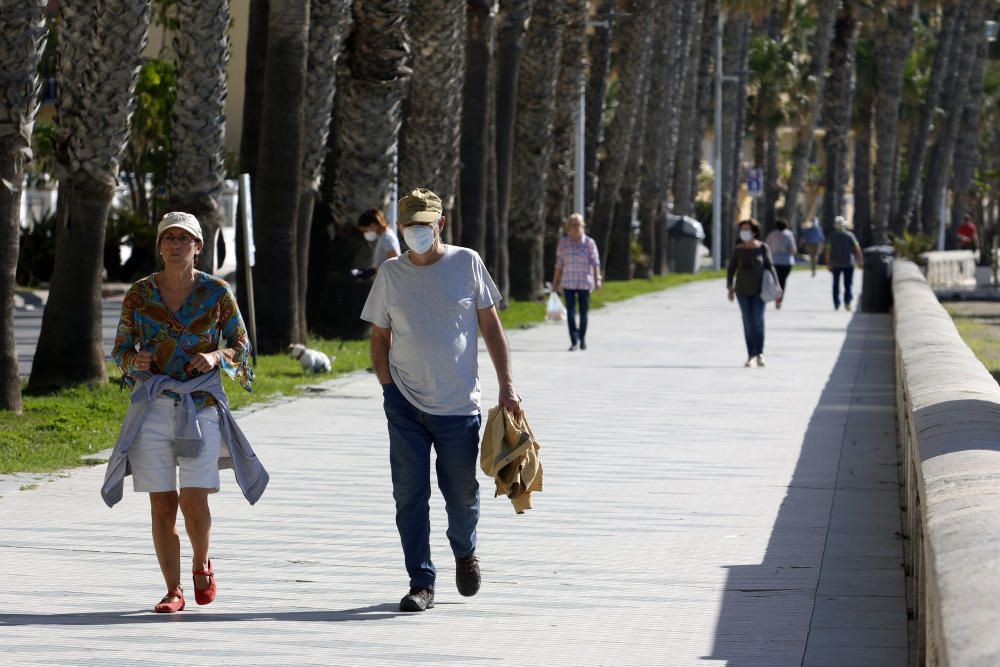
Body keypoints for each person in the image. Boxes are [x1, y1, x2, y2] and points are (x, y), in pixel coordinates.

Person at [360, 188, 521, 613]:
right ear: (400, 227)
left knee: (462, 493)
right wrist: (387, 385)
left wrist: (507, 387)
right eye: (409, 226)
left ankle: (465, 551)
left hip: (457, 407)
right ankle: (421, 582)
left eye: (423, 225)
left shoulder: (466, 263)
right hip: (404, 405)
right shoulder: (391, 274)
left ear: (440, 224)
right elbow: (378, 335)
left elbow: (492, 328)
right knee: (409, 494)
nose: (416, 232)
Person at [102, 211, 268, 614]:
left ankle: (200, 563)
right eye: (169, 238)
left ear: (198, 246)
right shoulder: (140, 294)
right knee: (162, 504)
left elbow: (242, 347)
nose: (176, 245)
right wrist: (134, 362)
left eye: (184, 239)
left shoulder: (216, 292)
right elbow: (121, 350)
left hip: (201, 406)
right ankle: (173, 589)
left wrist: (215, 355)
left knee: (195, 499)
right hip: (152, 407)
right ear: (159, 246)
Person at [727, 219, 779, 368]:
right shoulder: (738, 250)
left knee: (758, 320)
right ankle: (751, 355)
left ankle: (760, 353)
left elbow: (770, 267)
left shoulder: (763, 248)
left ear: (754, 232)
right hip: (742, 291)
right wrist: (730, 288)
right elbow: (731, 270)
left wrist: (776, 286)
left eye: (747, 229)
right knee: (747, 322)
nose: (744, 232)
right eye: (742, 229)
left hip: (759, 292)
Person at [551, 213, 602, 350]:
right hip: (568, 282)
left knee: (584, 313)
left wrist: (598, 279)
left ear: (583, 226)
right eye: (573, 225)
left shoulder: (589, 243)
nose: (575, 227)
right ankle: (574, 340)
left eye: (578, 225)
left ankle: (582, 338)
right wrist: (554, 284)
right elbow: (559, 264)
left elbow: (595, 262)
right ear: (568, 227)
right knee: (571, 313)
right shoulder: (563, 243)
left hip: (585, 282)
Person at [825, 215, 863, 311]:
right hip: (849, 263)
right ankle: (847, 302)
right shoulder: (850, 235)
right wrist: (860, 260)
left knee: (836, 284)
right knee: (848, 283)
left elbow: (827, 250)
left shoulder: (832, 236)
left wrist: (828, 263)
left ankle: (836, 303)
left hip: (835, 263)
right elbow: (857, 248)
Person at [353, 207, 400, 278]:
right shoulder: (383, 236)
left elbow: (395, 261)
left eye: (365, 231)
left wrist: (372, 271)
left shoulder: (386, 237)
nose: (366, 233)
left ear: (372, 225)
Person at [764, 218, 797, 309]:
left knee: (775, 281)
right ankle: (779, 299)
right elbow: (793, 249)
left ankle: (776, 297)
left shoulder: (771, 235)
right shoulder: (789, 235)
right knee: (782, 282)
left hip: (774, 261)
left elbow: (766, 247)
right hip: (786, 262)